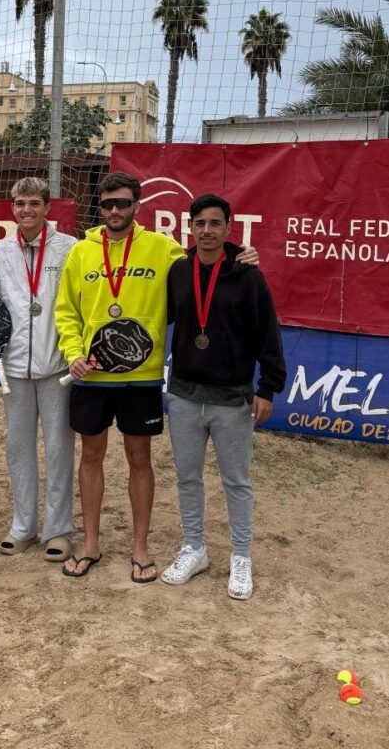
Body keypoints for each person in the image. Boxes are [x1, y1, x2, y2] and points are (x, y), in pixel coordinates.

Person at [55, 172, 258, 580]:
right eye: (107, 203)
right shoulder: (80, 252)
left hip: (142, 378)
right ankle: (91, 543)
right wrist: (73, 353)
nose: (115, 210)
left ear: (137, 205)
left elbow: (205, 260)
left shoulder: (162, 248)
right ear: (100, 207)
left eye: (122, 203)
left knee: (139, 459)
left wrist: (239, 255)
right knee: (91, 457)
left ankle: (140, 548)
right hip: (92, 376)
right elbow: (66, 312)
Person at [160, 193, 286, 600]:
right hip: (183, 395)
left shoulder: (248, 276)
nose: (207, 231)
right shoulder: (179, 271)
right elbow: (165, 317)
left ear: (229, 228)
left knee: (236, 481)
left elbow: (268, 334)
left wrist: (267, 387)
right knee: (187, 477)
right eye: (200, 223)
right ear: (190, 228)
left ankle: (241, 556)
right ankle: (194, 548)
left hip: (231, 398)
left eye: (215, 223)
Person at [0, 176, 77, 562]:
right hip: (14, 367)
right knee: (19, 448)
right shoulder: (2, 253)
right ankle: (23, 526)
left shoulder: (70, 248)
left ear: (47, 207)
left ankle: (58, 530)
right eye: (20, 204)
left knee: (58, 449)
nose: (27, 210)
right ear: (13, 208)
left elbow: (77, 301)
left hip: (57, 367)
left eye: (34, 204)